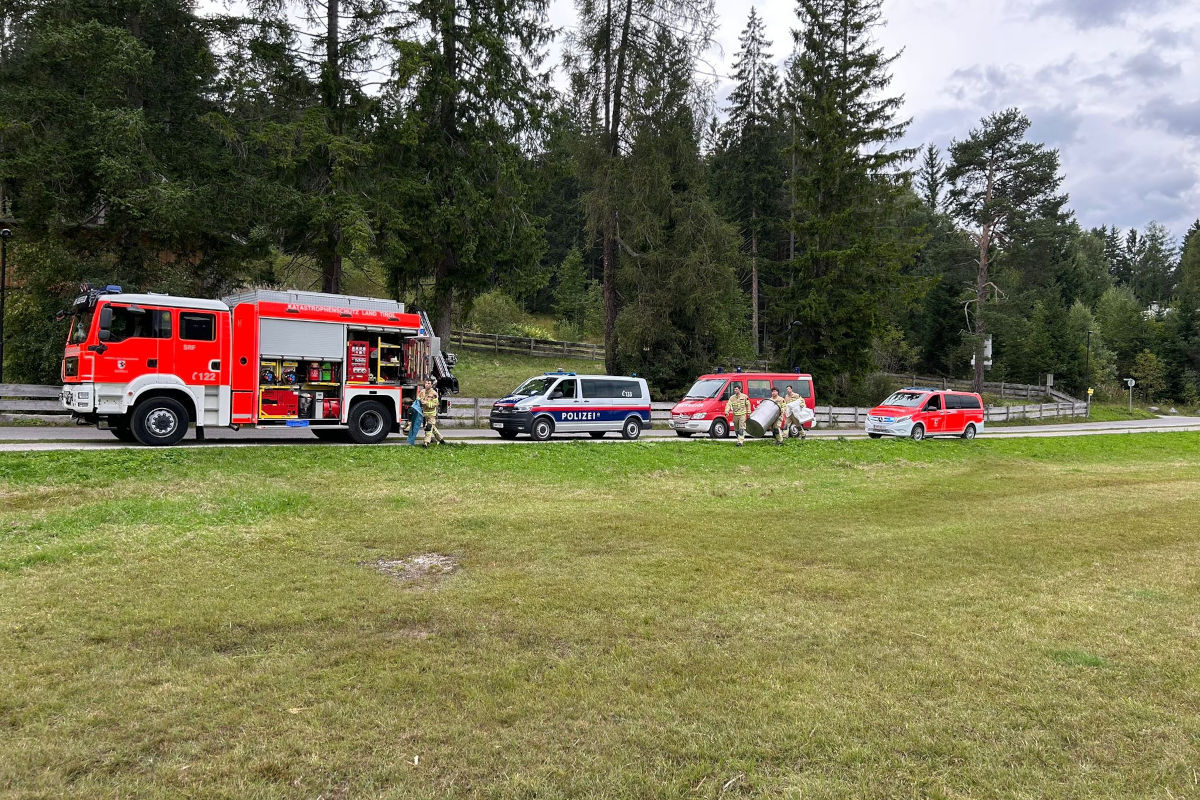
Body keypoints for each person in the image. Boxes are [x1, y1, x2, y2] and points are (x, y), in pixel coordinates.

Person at [417, 378, 444, 447]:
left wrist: (426, 403)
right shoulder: (422, 391)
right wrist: (420, 401)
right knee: (433, 428)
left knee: (428, 428)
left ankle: (426, 443)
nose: (427, 385)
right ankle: (441, 439)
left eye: (429, 383)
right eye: (426, 383)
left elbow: (435, 404)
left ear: (431, 385)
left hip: (431, 414)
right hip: (425, 414)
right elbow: (418, 398)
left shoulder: (434, 393)